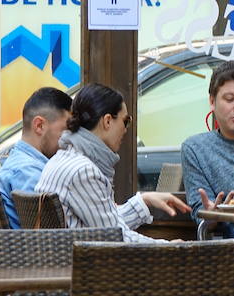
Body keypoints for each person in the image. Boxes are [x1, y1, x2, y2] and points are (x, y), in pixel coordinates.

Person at [34, 83, 189, 239]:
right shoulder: (83, 171)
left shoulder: (61, 160)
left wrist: (144, 200)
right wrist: (170, 248)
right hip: (83, 261)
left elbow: (107, 223)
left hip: (69, 259)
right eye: (126, 121)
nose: (126, 129)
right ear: (107, 121)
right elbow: (116, 238)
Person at [181, 61, 234, 235]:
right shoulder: (196, 149)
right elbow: (201, 215)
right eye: (229, 99)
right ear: (212, 101)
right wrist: (211, 215)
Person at [0, 86, 72, 229]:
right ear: (39, 125)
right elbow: (54, 235)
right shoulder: (28, 172)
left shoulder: (23, 166)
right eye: (65, 130)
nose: (69, 139)